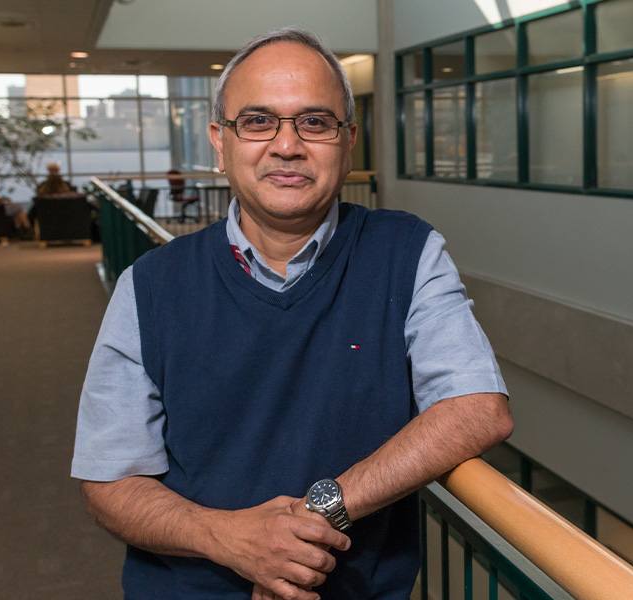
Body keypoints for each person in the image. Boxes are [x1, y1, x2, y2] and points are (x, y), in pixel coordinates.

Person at [71, 27, 513, 600]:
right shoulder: (149, 286)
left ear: (348, 140)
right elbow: (111, 480)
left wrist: (313, 518)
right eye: (257, 121)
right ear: (220, 141)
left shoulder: (407, 254)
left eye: (315, 121)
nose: (286, 146)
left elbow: (478, 408)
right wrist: (231, 539)